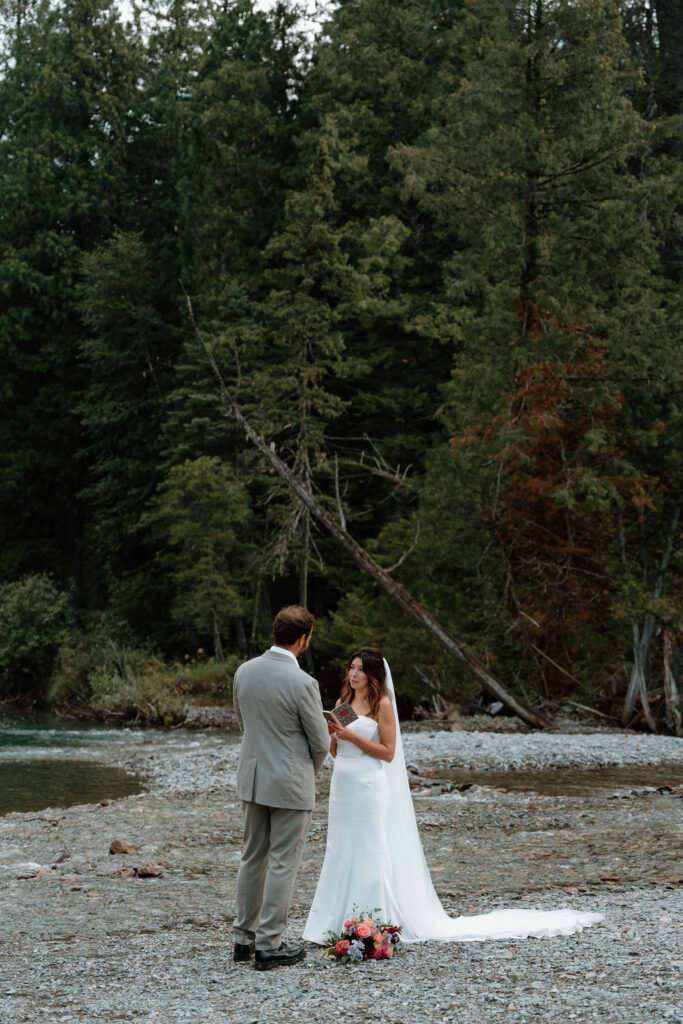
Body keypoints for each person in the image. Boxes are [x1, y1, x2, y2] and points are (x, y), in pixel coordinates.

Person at [303, 647, 603, 944]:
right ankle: (335, 920)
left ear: (373, 674)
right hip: (343, 784)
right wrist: (333, 736)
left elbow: (389, 752)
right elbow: (337, 751)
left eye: (360, 669)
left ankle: (373, 920)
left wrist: (353, 736)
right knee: (342, 847)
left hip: (369, 784)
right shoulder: (344, 703)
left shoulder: (381, 704)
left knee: (369, 847)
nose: (354, 674)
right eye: (351, 668)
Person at [233, 605, 330, 971]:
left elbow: (243, 723)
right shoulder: (303, 683)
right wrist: (306, 772)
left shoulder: (244, 671)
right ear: (303, 639)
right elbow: (320, 743)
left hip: (252, 778)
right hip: (289, 783)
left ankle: (243, 939)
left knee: (252, 857)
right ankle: (269, 944)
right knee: (282, 864)